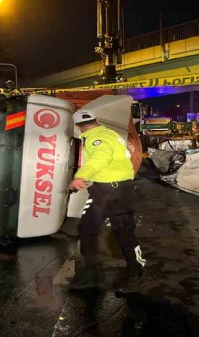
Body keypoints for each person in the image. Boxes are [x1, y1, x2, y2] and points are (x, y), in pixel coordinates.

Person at [68, 109, 145, 292]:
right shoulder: (108, 133)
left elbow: (101, 157)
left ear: (78, 128)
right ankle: (92, 272)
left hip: (114, 191)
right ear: (96, 120)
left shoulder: (98, 138)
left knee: (123, 232)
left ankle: (136, 272)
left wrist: (81, 176)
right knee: (88, 228)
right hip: (107, 190)